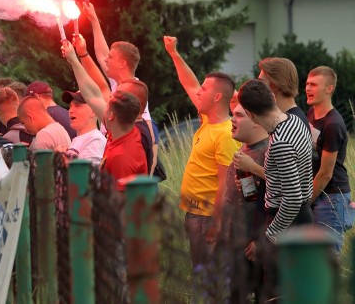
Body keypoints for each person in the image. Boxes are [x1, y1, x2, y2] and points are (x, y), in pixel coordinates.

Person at [163, 36, 241, 269]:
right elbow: (189, 83)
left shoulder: (226, 134)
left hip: (208, 218)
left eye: (205, 90)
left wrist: (217, 224)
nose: (199, 93)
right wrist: (174, 54)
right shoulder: (209, 121)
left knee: (209, 276)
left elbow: (226, 185)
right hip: (196, 214)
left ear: (218, 97)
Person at [237, 79, 313, 302]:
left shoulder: (280, 142)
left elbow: (291, 199)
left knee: (279, 295)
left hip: (289, 223)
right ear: (272, 97)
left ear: (250, 115)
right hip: (301, 216)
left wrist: (268, 238)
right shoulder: (295, 122)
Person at [61, 40, 147, 190]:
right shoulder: (121, 131)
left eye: (109, 100)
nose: (103, 102)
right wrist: (73, 59)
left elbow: (117, 203)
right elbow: (92, 95)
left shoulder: (122, 157)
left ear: (111, 116)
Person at [224, 103, 270, 302]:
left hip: (255, 250)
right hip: (236, 246)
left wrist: (261, 240)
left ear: (256, 122)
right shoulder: (244, 150)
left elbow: (283, 201)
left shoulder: (269, 153)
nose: (232, 120)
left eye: (239, 115)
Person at [306, 66, 354, 253]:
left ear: (329, 89)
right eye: (307, 84)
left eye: (314, 84)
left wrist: (305, 202)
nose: (308, 89)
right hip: (317, 192)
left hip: (331, 196)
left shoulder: (332, 124)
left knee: (328, 257)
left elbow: (326, 173)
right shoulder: (311, 114)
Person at [258, 57, 310, 131]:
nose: (258, 87)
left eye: (261, 82)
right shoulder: (290, 119)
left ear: (276, 84)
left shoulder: (290, 124)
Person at [56, 90, 106, 166]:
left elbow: (87, 175)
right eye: (70, 106)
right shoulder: (82, 138)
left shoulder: (96, 139)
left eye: (77, 105)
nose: (70, 110)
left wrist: (61, 158)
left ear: (93, 111)